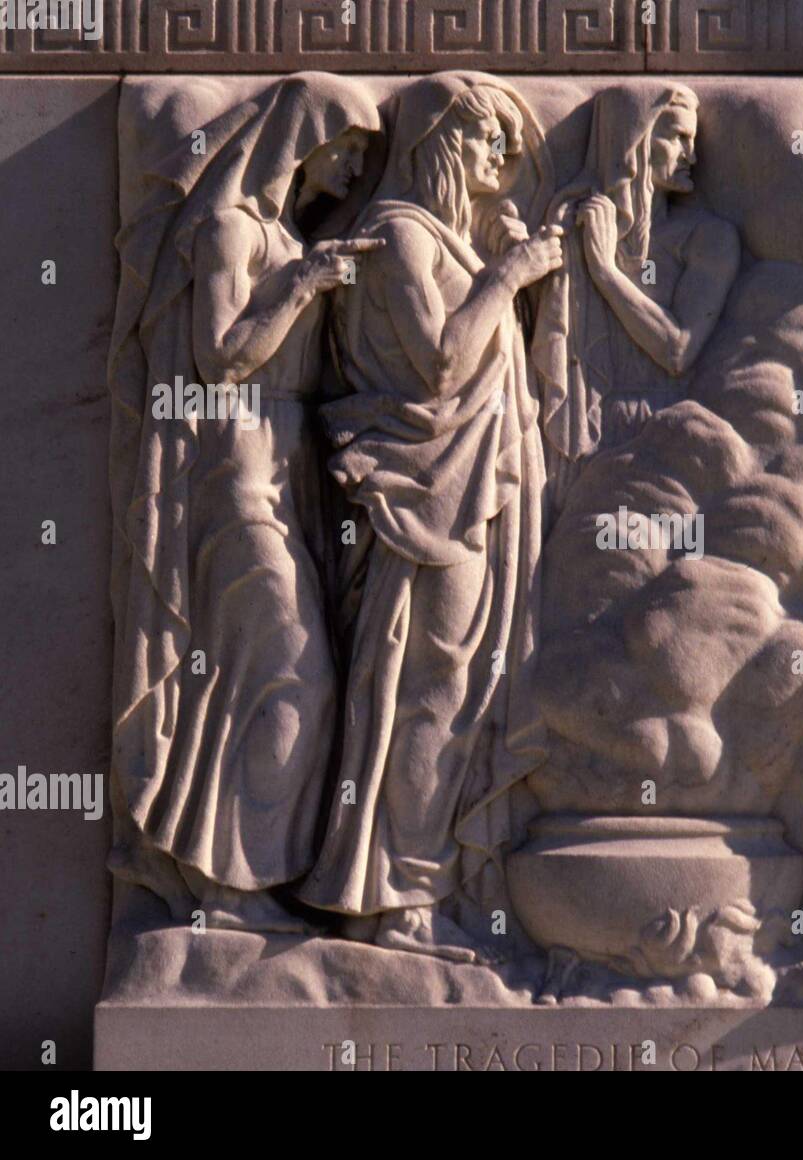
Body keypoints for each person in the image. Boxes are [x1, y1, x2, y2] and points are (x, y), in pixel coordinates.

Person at [108, 74, 384, 931]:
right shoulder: (230, 230)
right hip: (233, 474)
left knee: (255, 678)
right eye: (345, 153)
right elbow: (222, 356)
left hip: (288, 469)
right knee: (288, 671)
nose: (348, 176)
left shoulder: (284, 233)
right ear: (305, 139)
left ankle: (228, 885)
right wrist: (304, 284)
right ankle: (227, 886)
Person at [298, 73, 559, 962]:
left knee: (457, 695)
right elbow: (443, 366)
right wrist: (510, 275)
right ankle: (394, 899)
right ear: (442, 135)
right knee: (428, 693)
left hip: (468, 495)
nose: (502, 159)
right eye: (489, 139)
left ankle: (422, 887)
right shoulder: (397, 235)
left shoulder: (440, 238)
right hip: (427, 502)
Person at [532, 82, 740, 512]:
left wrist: (606, 272)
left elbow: (677, 348)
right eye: (678, 137)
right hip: (589, 449)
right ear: (635, 141)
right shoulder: (577, 224)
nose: (693, 155)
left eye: (693, 140)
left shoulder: (708, 238)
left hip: (662, 447)